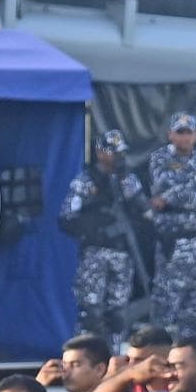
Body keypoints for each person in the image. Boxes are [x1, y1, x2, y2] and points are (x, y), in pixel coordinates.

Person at [138, 113, 196, 343]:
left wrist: (177, 195)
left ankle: (191, 357)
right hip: (174, 242)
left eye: (189, 132)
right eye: (179, 132)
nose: (184, 137)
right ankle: (157, 355)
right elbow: (161, 194)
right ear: (170, 135)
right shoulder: (160, 158)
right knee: (166, 303)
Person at [62, 129, 146, 344]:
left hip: (121, 253)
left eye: (120, 153)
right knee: (90, 312)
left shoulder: (127, 179)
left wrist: (124, 177)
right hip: (95, 253)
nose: (118, 157)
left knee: (117, 315)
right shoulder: (86, 180)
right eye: (113, 152)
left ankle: (114, 358)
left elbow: (141, 206)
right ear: (100, 152)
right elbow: (66, 217)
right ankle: (85, 358)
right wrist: (92, 229)